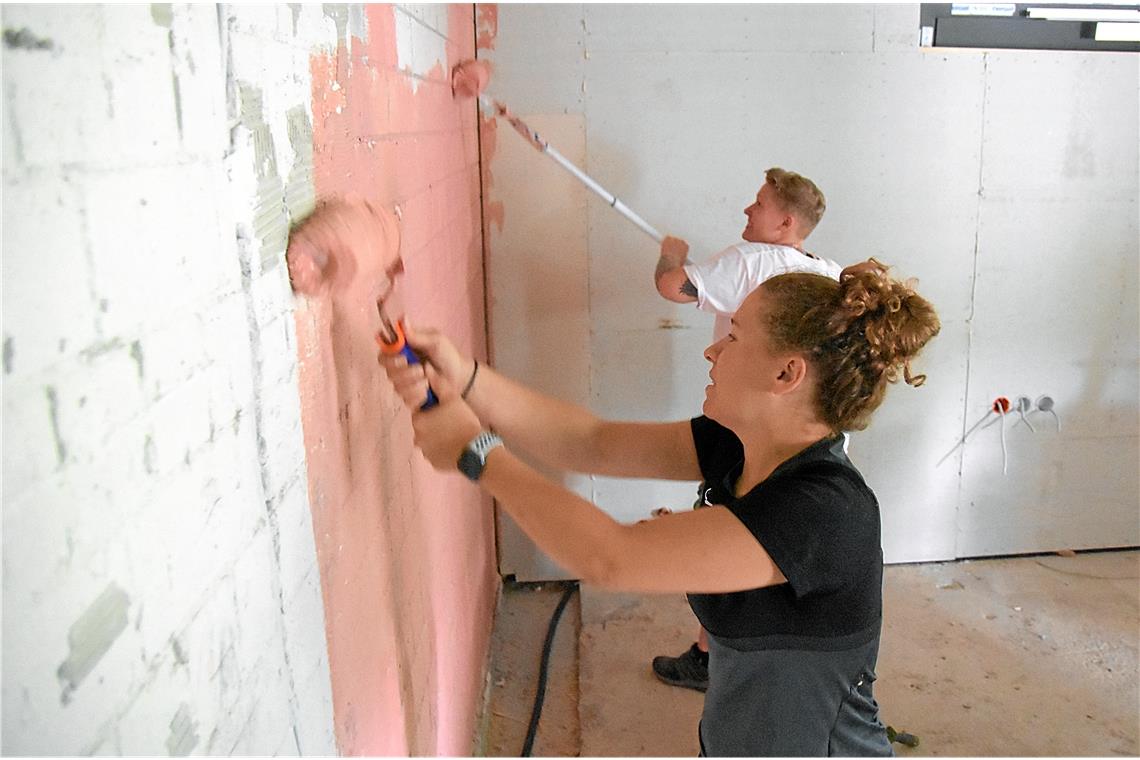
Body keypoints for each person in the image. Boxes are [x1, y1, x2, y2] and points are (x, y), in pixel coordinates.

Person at [378, 260, 940, 756]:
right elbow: (591, 441)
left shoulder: (825, 511)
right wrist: (467, 377)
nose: (713, 349)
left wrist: (476, 454)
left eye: (735, 337)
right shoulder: (736, 445)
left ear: (786, 373)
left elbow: (611, 558)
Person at [652, 166, 840, 691]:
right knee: (773, 538)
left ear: (784, 220)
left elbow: (674, 285)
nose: (746, 210)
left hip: (744, 432)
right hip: (803, 434)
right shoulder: (828, 272)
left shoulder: (749, 261)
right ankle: (743, 654)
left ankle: (714, 659)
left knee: (725, 533)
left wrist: (672, 250)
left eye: (758, 203)